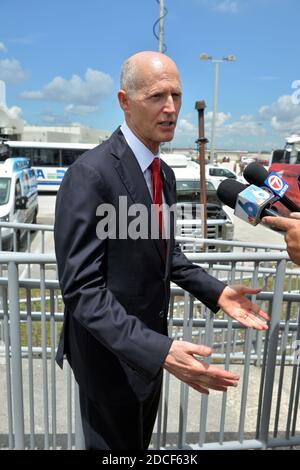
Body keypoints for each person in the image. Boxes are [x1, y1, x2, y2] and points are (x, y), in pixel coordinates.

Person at [54, 51, 269, 450]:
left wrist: (217, 292)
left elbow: (166, 254)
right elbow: (82, 290)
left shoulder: (163, 174)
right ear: (124, 100)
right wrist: (161, 350)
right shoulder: (90, 174)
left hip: (151, 358)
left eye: (177, 96)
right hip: (110, 360)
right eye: (157, 96)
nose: (171, 109)